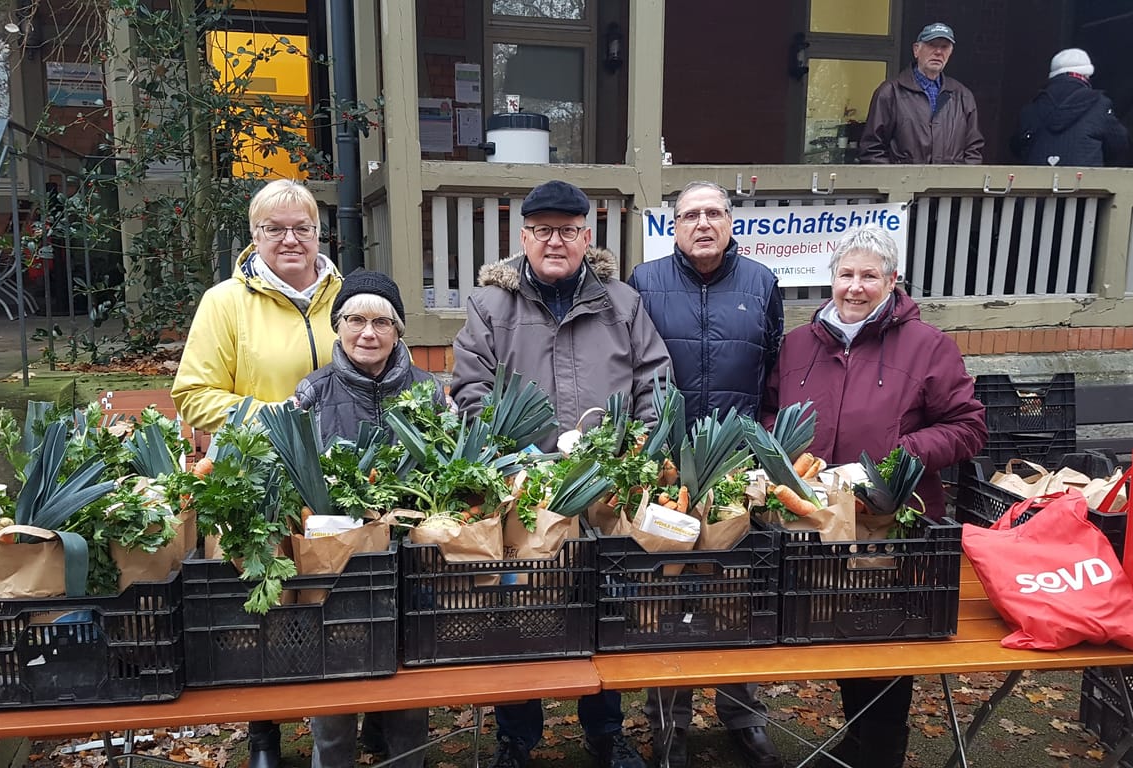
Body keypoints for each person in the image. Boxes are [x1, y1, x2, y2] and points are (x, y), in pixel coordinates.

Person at [451, 179, 671, 768]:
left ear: (586, 236)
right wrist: (521, 456)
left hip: (608, 487)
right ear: (522, 237)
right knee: (518, 608)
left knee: (609, 604)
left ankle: (605, 729)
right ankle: (516, 736)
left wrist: (635, 451)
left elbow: (655, 382)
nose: (555, 241)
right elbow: (470, 388)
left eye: (568, 230)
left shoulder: (621, 303)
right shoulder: (490, 307)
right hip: (525, 487)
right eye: (543, 230)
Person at [762, 224, 986, 768]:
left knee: (883, 643)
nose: (855, 287)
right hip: (818, 522)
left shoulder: (928, 345)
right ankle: (857, 739)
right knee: (838, 629)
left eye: (869, 276)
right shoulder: (797, 346)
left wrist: (899, 453)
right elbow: (770, 411)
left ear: (892, 282)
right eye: (846, 275)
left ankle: (880, 750)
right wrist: (783, 451)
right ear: (830, 280)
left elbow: (967, 426)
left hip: (892, 524)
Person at [172, 178, 343, 768]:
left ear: (320, 232)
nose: (290, 239)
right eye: (275, 229)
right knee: (261, 602)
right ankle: (264, 728)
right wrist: (274, 418)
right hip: (255, 478)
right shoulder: (226, 302)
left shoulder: (344, 296)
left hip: (339, 478)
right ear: (254, 236)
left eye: (302, 227)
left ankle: (352, 715)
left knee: (337, 596)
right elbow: (192, 395)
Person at [626, 180, 783, 768]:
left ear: (731, 222)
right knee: (667, 589)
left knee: (735, 589)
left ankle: (742, 712)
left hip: (736, 465)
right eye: (690, 214)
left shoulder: (762, 284)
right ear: (674, 225)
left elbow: (772, 370)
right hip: (668, 465)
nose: (703, 223)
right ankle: (668, 721)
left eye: (714, 212)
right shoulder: (645, 283)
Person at [293, 270, 437, 768]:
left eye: (382, 321)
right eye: (355, 319)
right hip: (338, 568)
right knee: (334, 690)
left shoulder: (429, 392)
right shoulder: (310, 393)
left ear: (398, 330)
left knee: (408, 692)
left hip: (413, 561)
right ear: (338, 325)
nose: (368, 333)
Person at [860, 22, 985, 165]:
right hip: (904, 186)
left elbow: (974, 150)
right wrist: (894, 183)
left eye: (944, 47)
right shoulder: (890, 93)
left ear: (950, 52)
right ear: (916, 50)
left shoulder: (963, 95)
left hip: (950, 186)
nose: (938, 52)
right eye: (932, 44)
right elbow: (872, 150)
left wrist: (961, 184)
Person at [1010, 48, 1129, 167]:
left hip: (1037, 183)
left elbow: (1017, 147)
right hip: (1085, 182)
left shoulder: (1031, 108)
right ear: (1086, 75)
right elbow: (1118, 144)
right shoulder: (1099, 105)